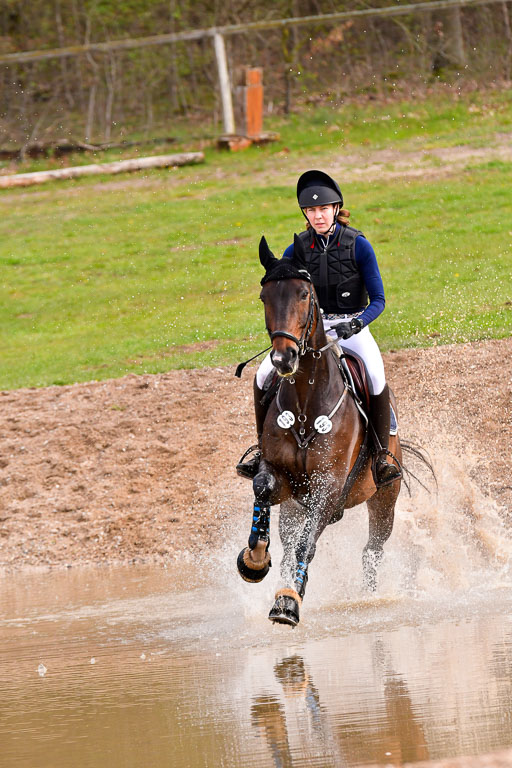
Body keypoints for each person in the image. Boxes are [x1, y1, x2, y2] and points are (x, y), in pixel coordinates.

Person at [237, 169, 401, 487]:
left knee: (376, 376)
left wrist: (357, 323)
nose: (318, 216)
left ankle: (382, 457)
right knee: (260, 376)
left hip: (351, 326)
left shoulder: (358, 246)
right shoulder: (295, 251)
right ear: (305, 214)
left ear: (336, 209)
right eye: (311, 211)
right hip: (308, 331)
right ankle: (262, 452)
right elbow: (283, 298)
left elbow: (379, 300)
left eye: (323, 209)